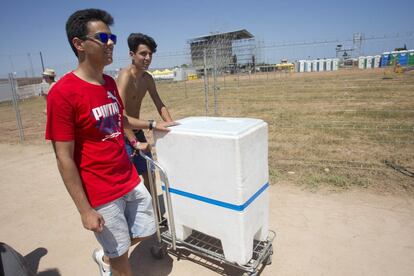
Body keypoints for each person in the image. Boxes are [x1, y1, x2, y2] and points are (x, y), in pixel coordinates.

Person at [45, 9, 175, 276]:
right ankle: (113, 262)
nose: (111, 42)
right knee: (122, 265)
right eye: (102, 37)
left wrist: (151, 126)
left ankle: (106, 258)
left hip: (127, 178)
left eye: (111, 36)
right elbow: (63, 157)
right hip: (101, 191)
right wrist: (85, 210)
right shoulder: (63, 92)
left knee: (147, 230)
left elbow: (120, 120)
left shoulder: (107, 83)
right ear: (79, 44)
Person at [117, 33, 174, 192]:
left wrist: (171, 125)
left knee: (149, 173)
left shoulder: (147, 78)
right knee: (129, 181)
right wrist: (134, 142)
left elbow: (159, 103)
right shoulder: (125, 75)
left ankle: (154, 211)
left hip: (137, 130)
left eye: (150, 54)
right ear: (131, 55)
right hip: (122, 133)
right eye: (143, 53)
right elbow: (120, 112)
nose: (147, 58)